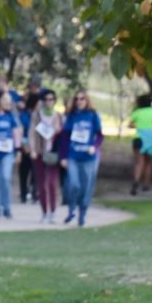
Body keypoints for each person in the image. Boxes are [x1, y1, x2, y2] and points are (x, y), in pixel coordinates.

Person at [61, 89, 103, 225]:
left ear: (87, 100)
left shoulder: (93, 115)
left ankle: (82, 215)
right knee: (73, 184)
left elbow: (100, 135)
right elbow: (65, 137)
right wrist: (63, 157)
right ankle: (71, 209)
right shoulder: (71, 116)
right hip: (73, 155)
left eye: (82, 99)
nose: (79, 101)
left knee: (86, 187)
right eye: (77, 99)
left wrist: (94, 147)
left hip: (88, 157)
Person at [29, 89, 65, 223]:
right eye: (46, 99)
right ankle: (44, 212)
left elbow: (63, 135)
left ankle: (53, 212)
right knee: (41, 183)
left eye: (51, 99)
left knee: (52, 183)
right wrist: (32, 149)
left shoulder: (59, 116)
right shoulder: (36, 115)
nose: (49, 102)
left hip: (53, 154)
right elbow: (32, 133)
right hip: (40, 152)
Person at [0, 90, 21, 218]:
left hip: (7, 152)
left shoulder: (10, 116)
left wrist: (18, 150)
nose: (8, 102)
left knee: (5, 178)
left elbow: (15, 132)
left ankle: (7, 207)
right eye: (5, 99)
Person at [129, 92, 152, 195]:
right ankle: (146, 185)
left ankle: (135, 181)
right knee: (148, 162)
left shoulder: (137, 113)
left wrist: (138, 125)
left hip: (138, 138)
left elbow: (130, 125)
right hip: (150, 139)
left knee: (139, 162)